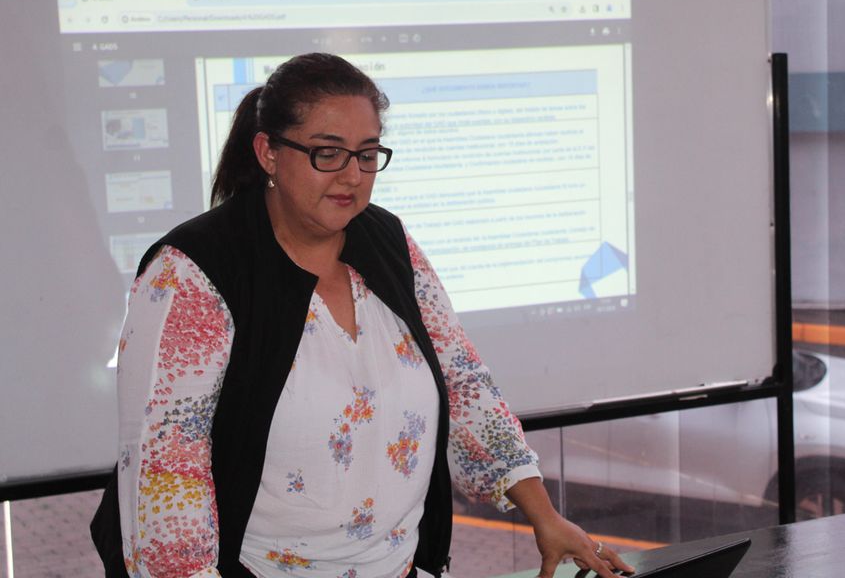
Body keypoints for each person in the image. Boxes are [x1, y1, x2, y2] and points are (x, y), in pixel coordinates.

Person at [91, 52, 634, 578]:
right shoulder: (191, 272)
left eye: (367, 154)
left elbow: (464, 383)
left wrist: (544, 514)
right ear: (268, 152)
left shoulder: (389, 241)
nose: (352, 176)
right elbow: (167, 472)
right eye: (328, 153)